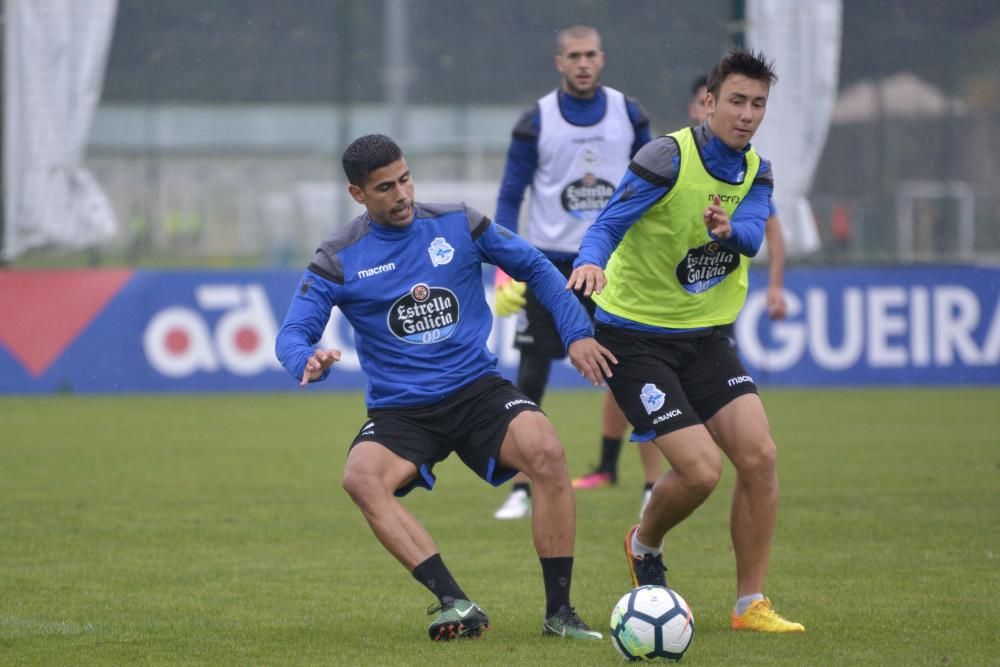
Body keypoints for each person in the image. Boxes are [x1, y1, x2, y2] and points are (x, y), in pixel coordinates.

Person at [275, 134, 612, 642]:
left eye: (405, 179)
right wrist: (307, 358)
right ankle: (455, 601)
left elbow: (538, 269)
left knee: (546, 448)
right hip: (402, 411)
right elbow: (292, 332)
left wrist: (578, 332)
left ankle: (560, 613)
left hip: (477, 391)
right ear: (357, 194)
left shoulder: (458, 223)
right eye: (385, 187)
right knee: (360, 478)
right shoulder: (340, 256)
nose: (402, 194)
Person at [567, 50, 805, 633]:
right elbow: (608, 224)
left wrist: (731, 231)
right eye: (737, 102)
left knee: (761, 457)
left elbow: (751, 231)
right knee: (700, 472)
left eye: (758, 105)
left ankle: (750, 605)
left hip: (705, 337)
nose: (747, 115)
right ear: (709, 102)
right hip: (635, 338)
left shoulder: (758, 171)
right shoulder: (666, 157)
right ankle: (644, 542)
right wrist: (591, 266)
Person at [492, 24, 661, 521]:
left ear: (602, 59)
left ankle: (652, 485)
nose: (583, 63)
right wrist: (505, 265)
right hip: (548, 267)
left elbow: (655, 185)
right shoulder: (535, 121)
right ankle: (522, 488)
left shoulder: (629, 115)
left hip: (614, 263)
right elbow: (509, 196)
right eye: (574, 55)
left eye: (590, 55)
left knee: (636, 371)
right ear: (558, 63)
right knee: (530, 378)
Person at [689, 75, 788, 323]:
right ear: (697, 109)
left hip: (719, 303)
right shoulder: (673, 159)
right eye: (702, 103)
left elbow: (773, 229)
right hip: (673, 300)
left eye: (756, 104)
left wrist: (775, 286)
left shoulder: (748, 172)